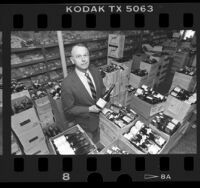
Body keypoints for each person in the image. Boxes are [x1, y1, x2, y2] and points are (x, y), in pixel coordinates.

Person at [61, 43, 106, 145]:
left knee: (103, 143)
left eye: (85, 55)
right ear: (72, 60)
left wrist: (106, 100)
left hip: (103, 119)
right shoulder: (67, 84)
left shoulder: (95, 71)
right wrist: (89, 109)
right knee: (91, 145)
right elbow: (68, 110)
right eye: (78, 56)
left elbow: (102, 90)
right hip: (86, 125)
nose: (83, 59)